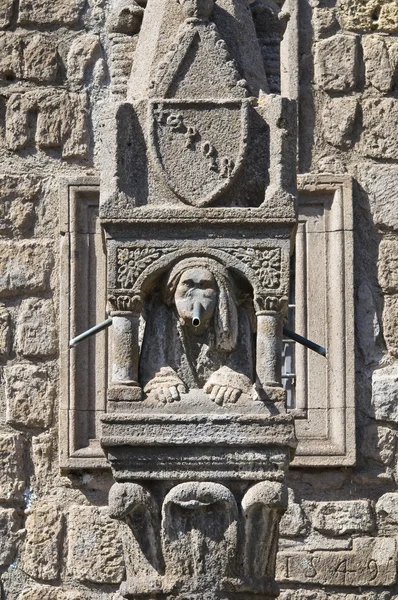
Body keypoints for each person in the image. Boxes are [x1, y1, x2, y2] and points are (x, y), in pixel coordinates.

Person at [139, 257, 254, 405]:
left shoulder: (236, 318)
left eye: (204, 285)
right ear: (173, 290)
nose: (195, 294)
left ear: (220, 293)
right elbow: (154, 368)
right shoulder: (162, 316)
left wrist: (230, 377)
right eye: (188, 284)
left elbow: (240, 366)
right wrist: (163, 380)